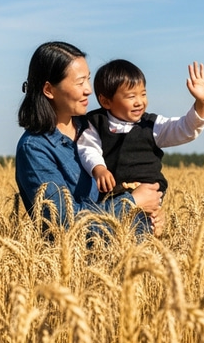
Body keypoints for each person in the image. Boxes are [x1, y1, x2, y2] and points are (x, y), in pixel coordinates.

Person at [15, 41, 164, 234]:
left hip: (129, 253)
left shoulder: (94, 127)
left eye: (88, 79)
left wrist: (152, 218)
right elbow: (66, 225)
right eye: (80, 82)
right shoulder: (35, 149)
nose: (89, 90)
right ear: (49, 90)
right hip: (77, 262)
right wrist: (132, 203)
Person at [76, 58, 204, 198]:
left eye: (143, 94)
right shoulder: (95, 123)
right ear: (106, 101)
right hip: (112, 198)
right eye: (131, 96)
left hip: (150, 195)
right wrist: (99, 169)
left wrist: (202, 103)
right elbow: (88, 149)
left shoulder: (151, 124)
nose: (139, 102)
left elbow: (184, 129)